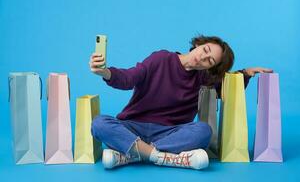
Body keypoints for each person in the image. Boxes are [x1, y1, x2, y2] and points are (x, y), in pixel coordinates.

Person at [89, 35, 272, 170]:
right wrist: (105, 72)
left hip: (168, 134)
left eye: (210, 61)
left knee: (203, 131)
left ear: (211, 68)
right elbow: (129, 78)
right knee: (99, 124)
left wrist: (246, 73)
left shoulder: (203, 79)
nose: (202, 58)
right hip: (133, 126)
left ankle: (131, 155)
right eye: (205, 50)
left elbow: (225, 87)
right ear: (198, 44)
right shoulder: (161, 58)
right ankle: (159, 157)